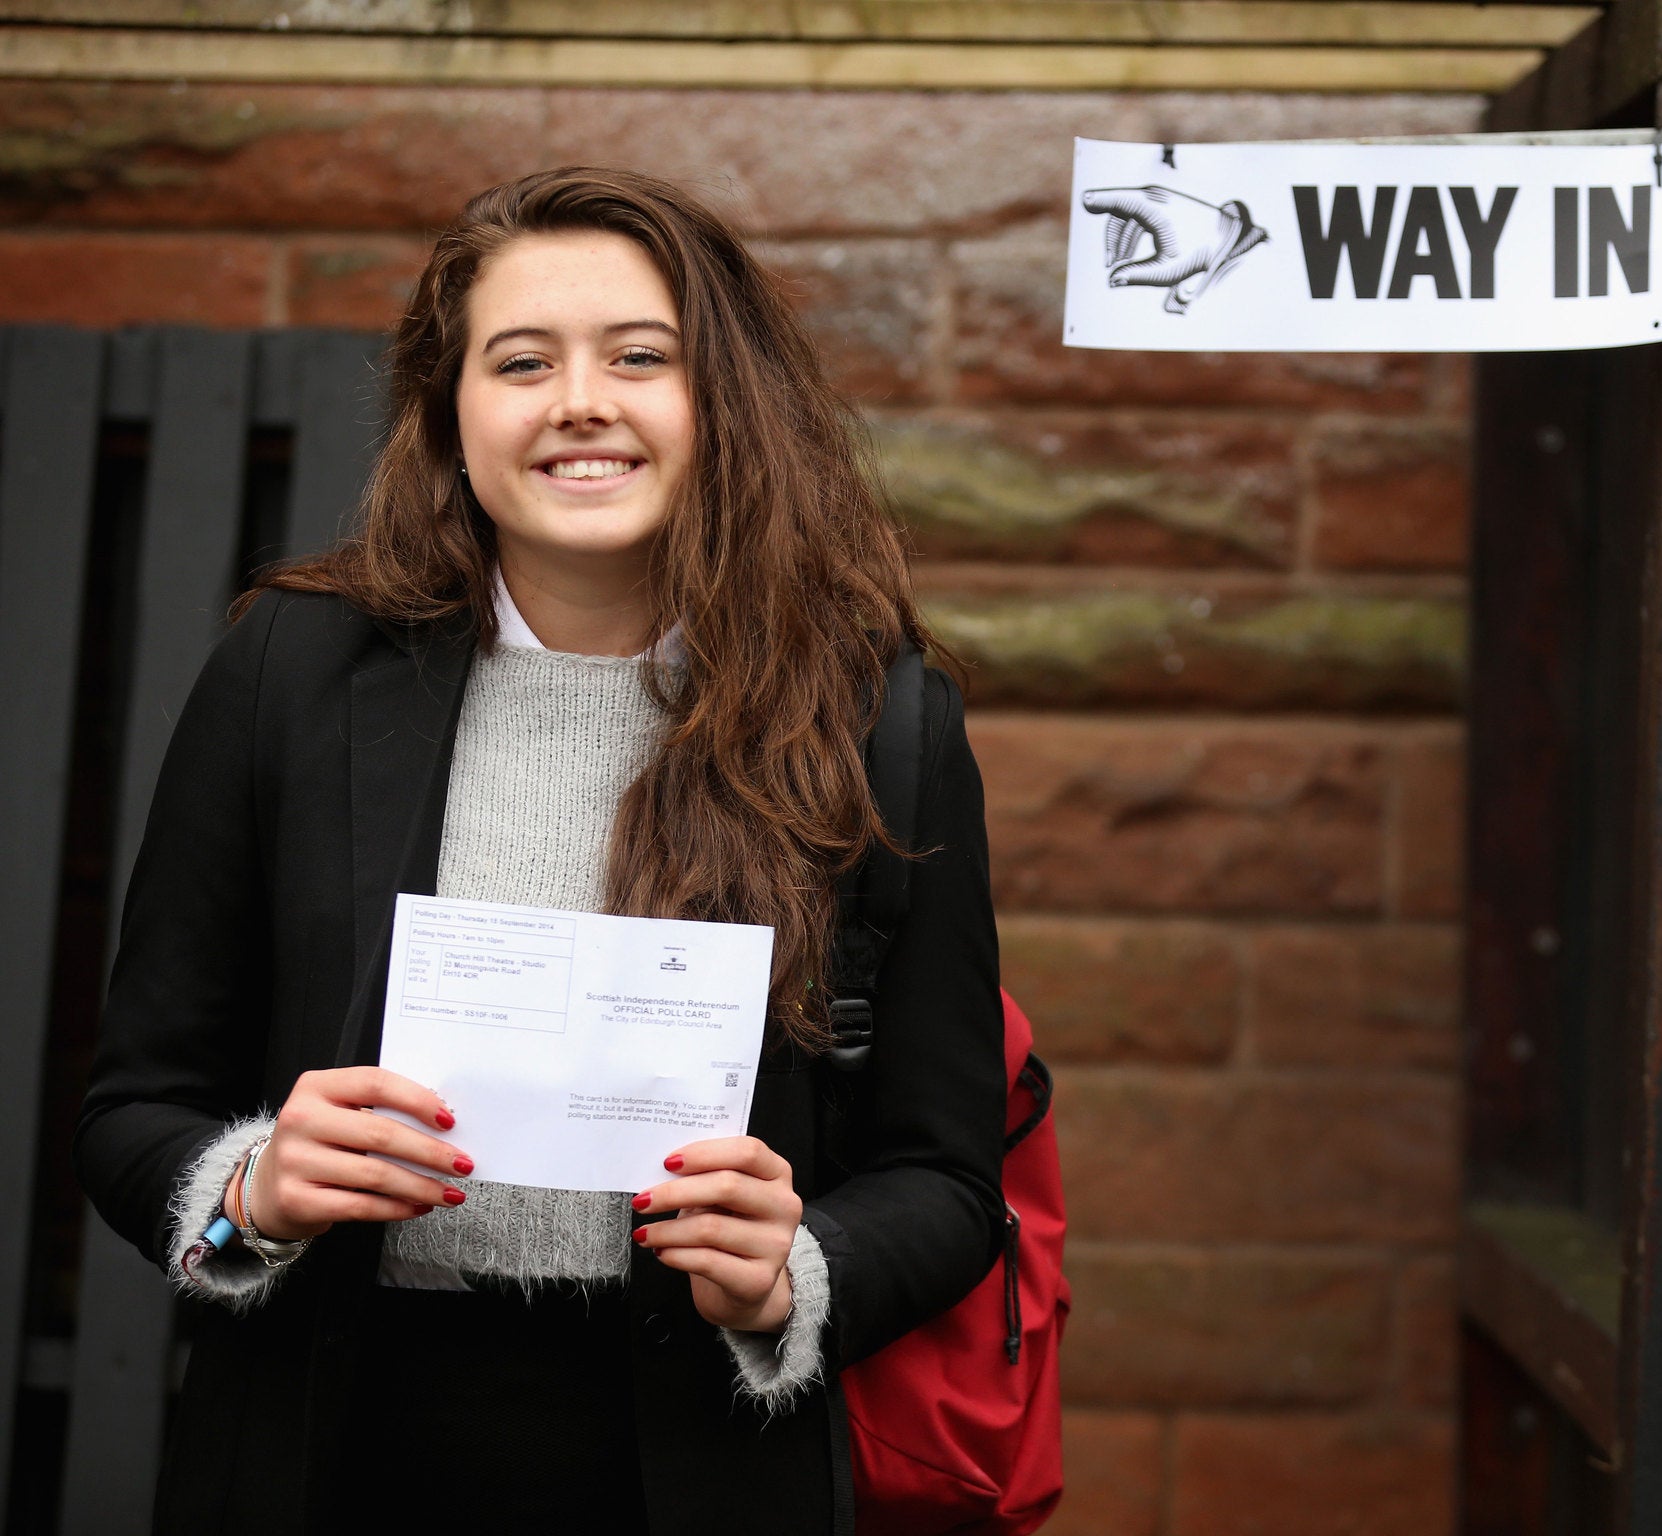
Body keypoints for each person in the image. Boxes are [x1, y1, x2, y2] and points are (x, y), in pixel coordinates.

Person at [72, 165, 1007, 1533]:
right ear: (450, 417)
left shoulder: (878, 721)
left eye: (641, 356)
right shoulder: (291, 672)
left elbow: (948, 1179)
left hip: (697, 1468)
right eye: (522, 362)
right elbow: (131, 1110)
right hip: (326, 1445)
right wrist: (253, 1190)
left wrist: (793, 1271)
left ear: (725, 405)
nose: (582, 400)